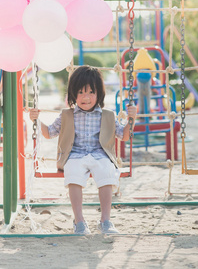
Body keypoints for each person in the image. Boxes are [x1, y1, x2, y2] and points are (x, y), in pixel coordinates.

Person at [29, 65, 137, 234]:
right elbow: (49, 133)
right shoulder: (67, 115)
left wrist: (132, 119)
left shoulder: (107, 115)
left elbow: (123, 136)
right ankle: (79, 221)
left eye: (91, 92)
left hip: (100, 155)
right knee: (73, 174)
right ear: (73, 94)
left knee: (107, 173)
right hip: (75, 155)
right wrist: (36, 120)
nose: (85, 97)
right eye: (80, 93)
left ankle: (106, 221)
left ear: (98, 94)